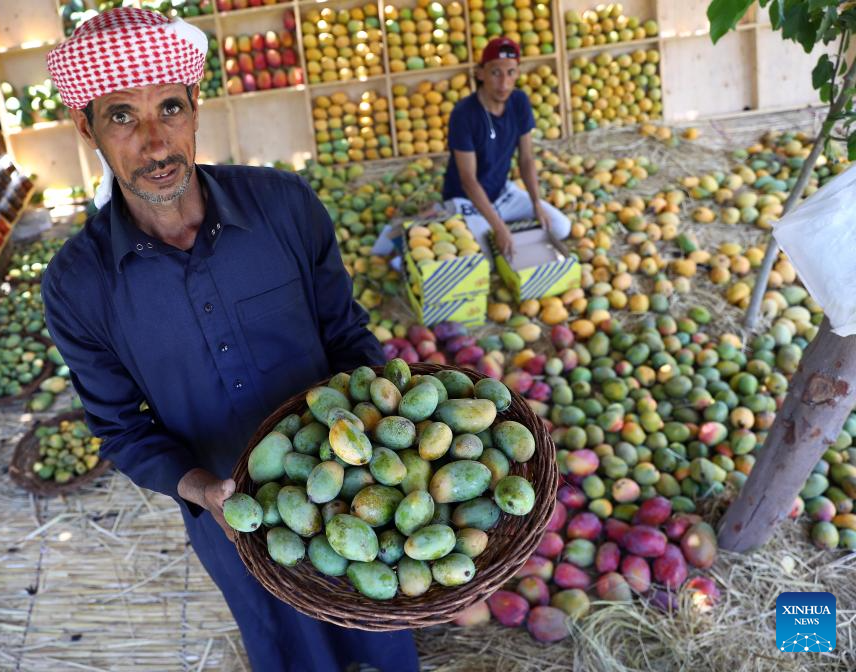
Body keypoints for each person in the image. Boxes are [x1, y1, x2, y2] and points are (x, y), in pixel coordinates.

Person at [41, 9, 419, 672]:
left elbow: (346, 335)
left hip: (357, 488)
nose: (156, 143)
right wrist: (201, 489)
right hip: (229, 519)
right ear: (86, 126)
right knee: (287, 645)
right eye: (122, 116)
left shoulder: (284, 206)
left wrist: (376, 424)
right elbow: (122, 430)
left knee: (378, 624)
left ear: (196, 107)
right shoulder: (78, 286)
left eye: (170, 108)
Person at [442, 37, 571, 260]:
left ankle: (499, 224)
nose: (504, 83)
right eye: (495, 73)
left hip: (503, 194)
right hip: (467, 201)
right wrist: (500, 228)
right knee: (486, 256)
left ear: (518, 73)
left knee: (560, 226)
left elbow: (527, 159)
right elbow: (468, 180)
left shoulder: (519, 101)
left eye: (510, 72)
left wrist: (535, 202)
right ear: (481, 73)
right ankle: (447, 214)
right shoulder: (463, 114)